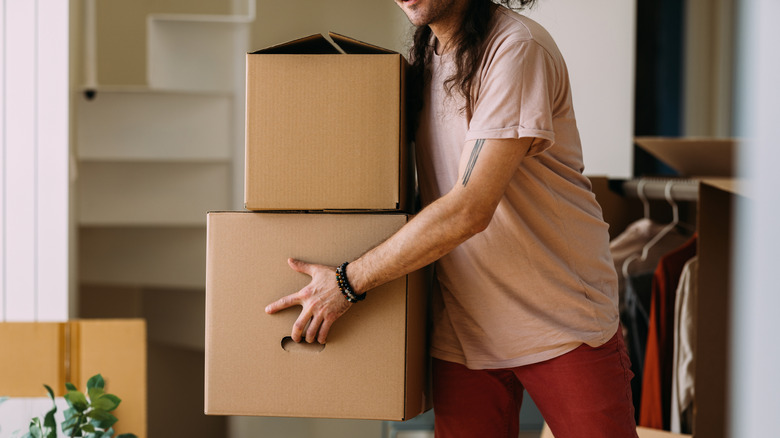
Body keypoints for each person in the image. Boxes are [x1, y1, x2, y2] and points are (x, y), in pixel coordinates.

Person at [266, 0, 638, 436]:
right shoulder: (427, 57)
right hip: (464, 331)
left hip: (560, 322)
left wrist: (347, 282)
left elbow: (468, 208)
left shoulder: (516, 49)